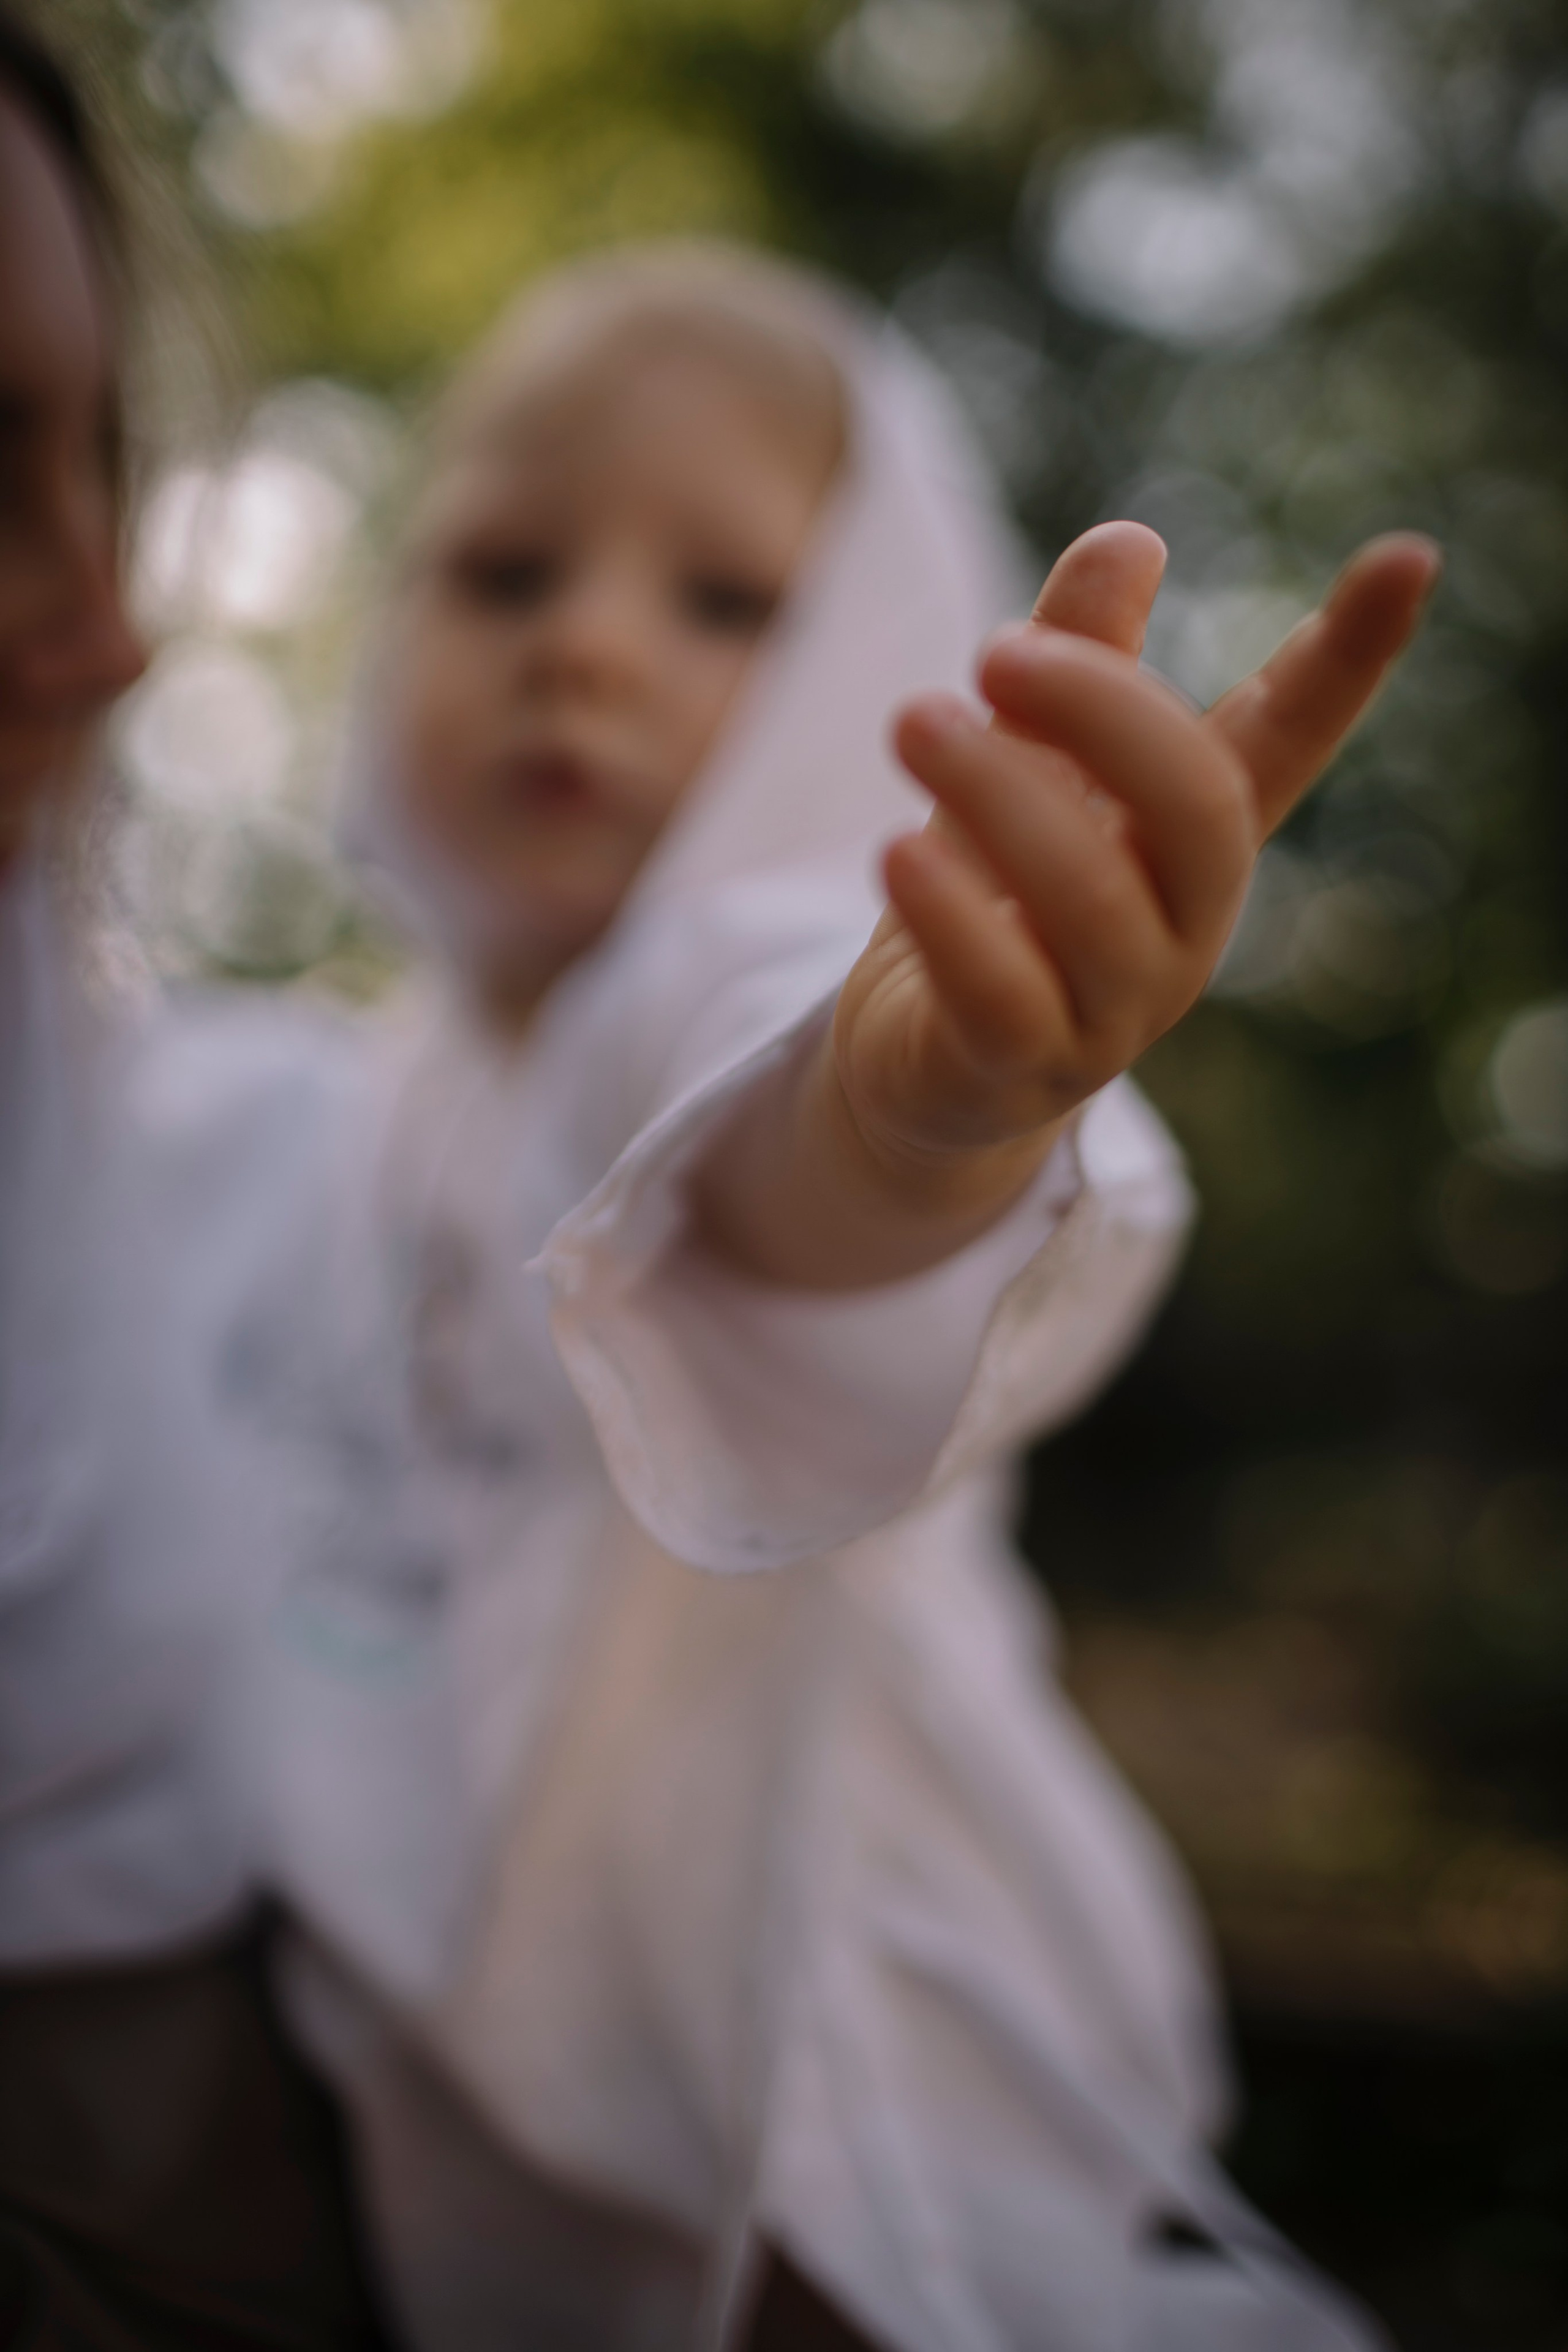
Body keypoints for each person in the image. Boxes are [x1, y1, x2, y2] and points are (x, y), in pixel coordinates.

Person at [0, 11, 1434, 2346]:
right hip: (425, 2147)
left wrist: (927, 1104)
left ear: (892, 652)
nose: (584, 642)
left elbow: (758, 1162)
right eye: (506, 569)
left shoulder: (753, 973)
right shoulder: (279, 1113)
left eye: (722, 603)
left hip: (862, 2101)